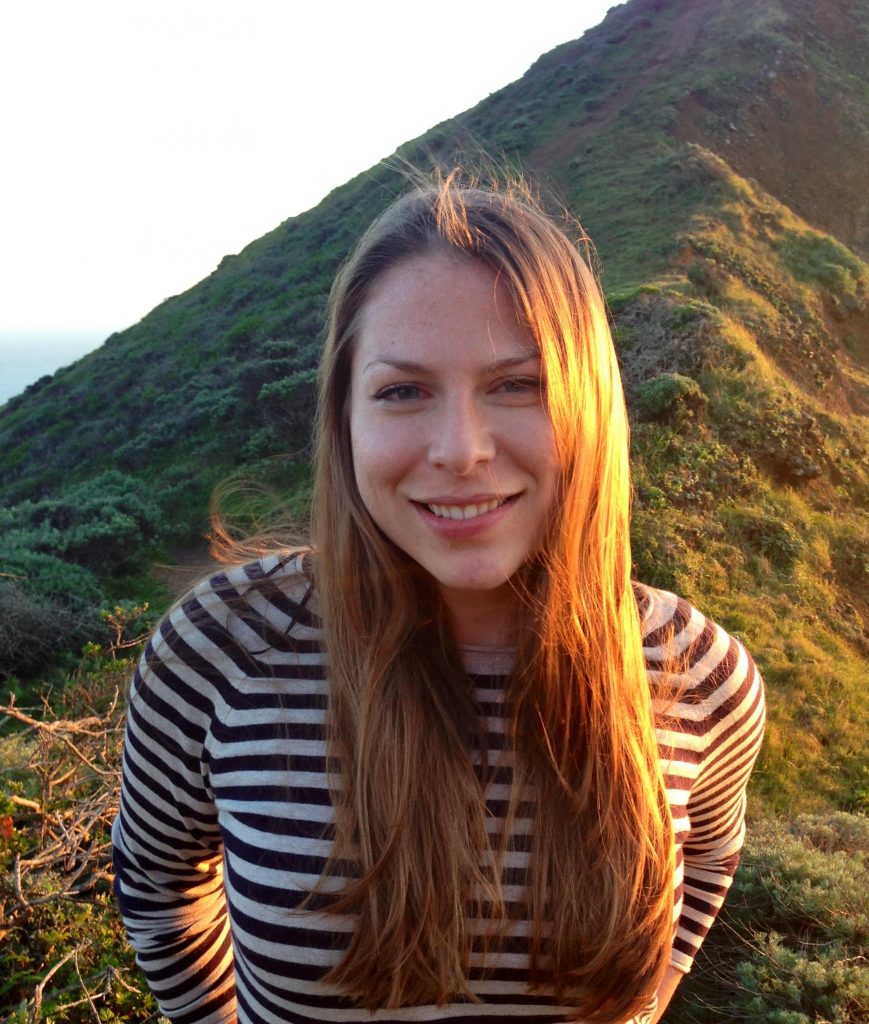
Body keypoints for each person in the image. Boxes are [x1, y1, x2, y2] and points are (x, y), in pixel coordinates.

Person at [112, 172, 765, 1024]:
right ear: (344, 415)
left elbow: (711, 859)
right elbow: (157, 886)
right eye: (403, 391)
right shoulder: (222, 649)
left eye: (517, 385)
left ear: (591, 407)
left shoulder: (698, 674)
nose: (460, 450)